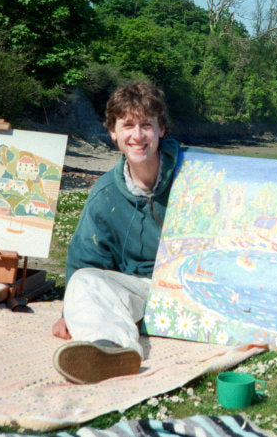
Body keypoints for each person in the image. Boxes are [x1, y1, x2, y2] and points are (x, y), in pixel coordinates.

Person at [51, 80, 182, 384]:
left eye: (146, 125)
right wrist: (73, 309)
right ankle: (109, 351)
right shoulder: (105, 193)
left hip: (194, 286)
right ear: (113, 133)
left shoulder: (195, 174)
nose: (137, 136)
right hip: (142, 291)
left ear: (161, 129)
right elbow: (85, 260)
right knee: (84, 281)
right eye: (128, 125)